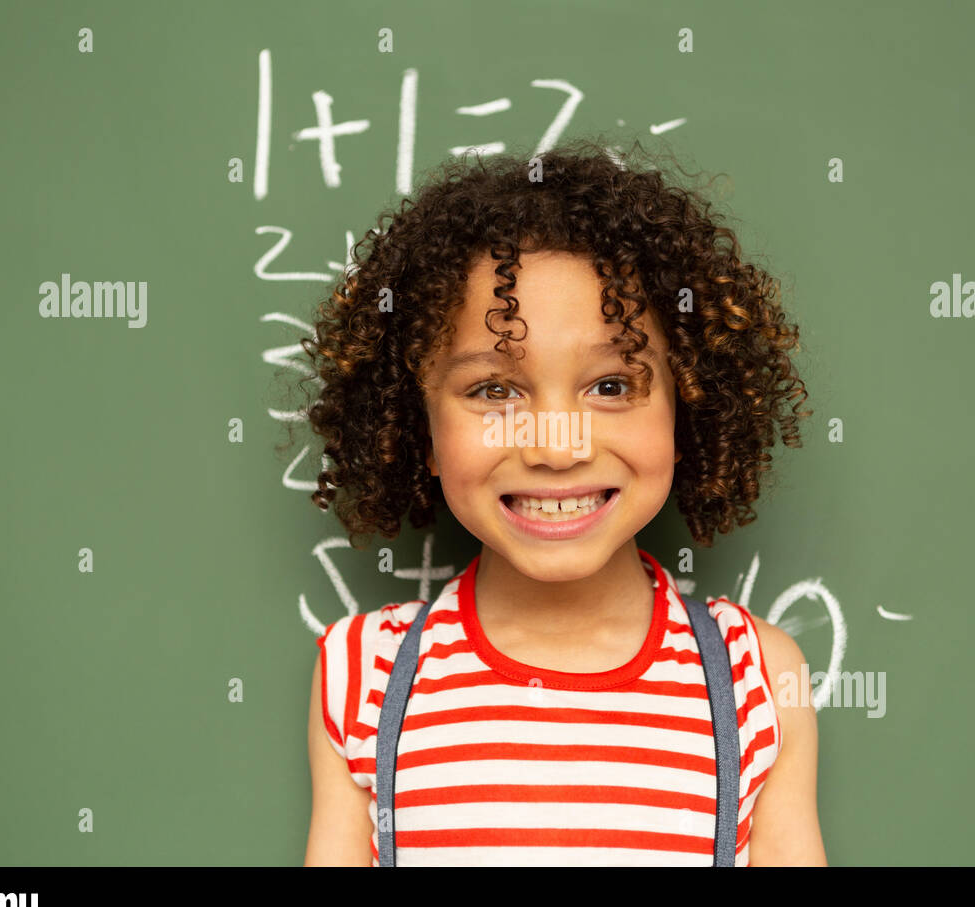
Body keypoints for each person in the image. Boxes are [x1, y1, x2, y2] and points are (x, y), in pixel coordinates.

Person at [299, 138, 825, 865]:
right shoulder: (367, 672)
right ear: (417, 426)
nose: (555, 444)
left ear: (688, 411)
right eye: (494, 390)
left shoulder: (758, 677)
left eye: (611, 386)